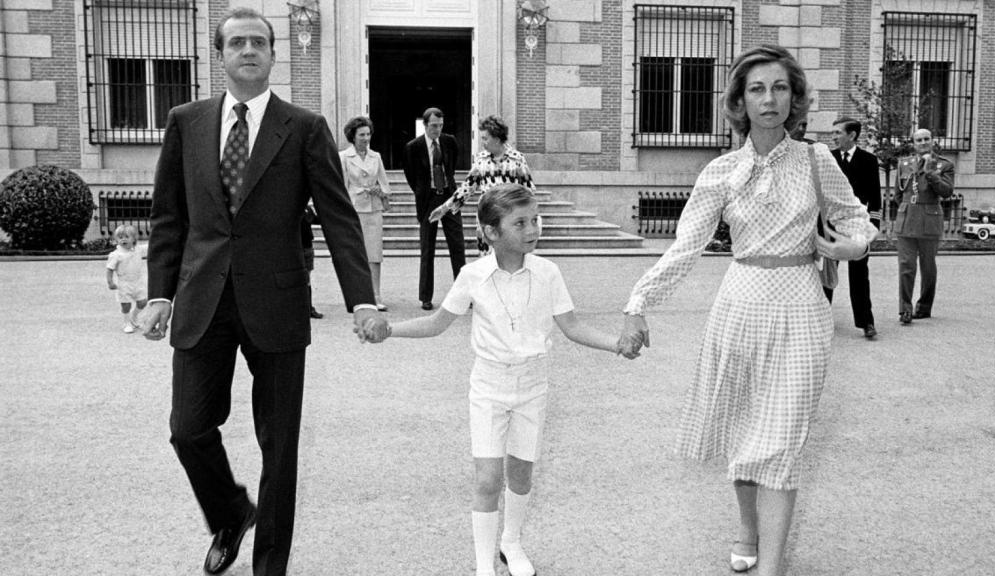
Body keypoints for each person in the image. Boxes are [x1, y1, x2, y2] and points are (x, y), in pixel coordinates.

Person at [140, 8, 388, 576]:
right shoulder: (186, 121)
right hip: (202, 299)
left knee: (279, 448)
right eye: (237, 43)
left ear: (273, 55)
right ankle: (230, 513)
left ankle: (269, 566)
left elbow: (338, 216)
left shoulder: (302, 127)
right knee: (188, 427)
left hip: (277, 304)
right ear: (220, 55)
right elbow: (168, 217)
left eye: (258, 42)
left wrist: (363, 299)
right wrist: (159, 294)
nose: (248, 50)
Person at [619, 45, 876, 576]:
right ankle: (746, 529)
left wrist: (852, 247)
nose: (770, 99)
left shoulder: (816, 159)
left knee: (782, 441)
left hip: (803, 308)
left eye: (780, 87)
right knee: (745, 428)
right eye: (757, 89)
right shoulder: (721, 171)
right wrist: (638, 301)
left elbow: (856, 218)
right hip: (739, 307)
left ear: (794, 96)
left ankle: (772, 567)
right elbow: (684, 247)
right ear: (739, 100)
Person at [384, 183, 640, 576]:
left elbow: (571, 326)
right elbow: (437, 324)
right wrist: (390, 330)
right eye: (520, 222)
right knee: (488, 478)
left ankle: (512, 542)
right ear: (490, 232)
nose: (533, 229)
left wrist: (617, 345)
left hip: (533, 387)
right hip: (488, 387)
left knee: (520, 474)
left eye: (535, 220)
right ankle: (483, 565)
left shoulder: (549, 273)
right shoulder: (473, 276)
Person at [428, 115, 536, 254]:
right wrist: (444, 208)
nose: (483, 142)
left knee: (513, 260)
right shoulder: (481, 160)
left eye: (485, 138)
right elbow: (466, 188)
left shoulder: (517, 159)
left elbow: (528, 192)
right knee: (487, 265)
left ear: (497, 139)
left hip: (512, 220)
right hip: (487, 220)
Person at [404, 107, 465, 311]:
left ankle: (463, 294)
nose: (437, 129)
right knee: (427, 249)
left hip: (450, 198)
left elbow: (451, 167)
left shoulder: (450, 142)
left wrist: (448, 191)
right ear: (425, 125)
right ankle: (426, 297)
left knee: (457, 246)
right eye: (433, 126)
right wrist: (424, 192)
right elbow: (411, 176)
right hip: (428, 200)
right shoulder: (413, 147)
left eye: (440, 125)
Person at [894, 128, 955, 324]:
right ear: (914, 143)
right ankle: (905, 309)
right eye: (919, 140)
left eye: (926, 139)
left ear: (932, 141)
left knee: (928, 267)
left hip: (929, 221)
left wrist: (931, 174)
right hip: (906, 221)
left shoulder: (944, 165)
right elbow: (897, 194)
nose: (923, 142)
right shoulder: (904, 164)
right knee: (906, 266)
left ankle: (924, 307)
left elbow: (946, 192)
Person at [830, 117, 882, 338]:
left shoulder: (868, 160)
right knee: (827, 275)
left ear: (851, 135)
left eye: (838, 133)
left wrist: (873, 227)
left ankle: (866, 322)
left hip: (858, 227)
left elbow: (876, 198)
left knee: (859, 275)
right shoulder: (829, 159)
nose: (834, 137)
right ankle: (820, 320)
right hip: (831, 227)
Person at [340, 115, 391, 310]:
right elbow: (342, 187)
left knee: (374, 253)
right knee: (355, 254)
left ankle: (376, 295)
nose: (366, 138)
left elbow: (385, 184)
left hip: (374, 209)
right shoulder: (344, 157)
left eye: (368, 134)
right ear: (352, 136)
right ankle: (357, 296)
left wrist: (381, 191)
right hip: (354, 209)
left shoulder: (375, 156)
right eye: (362, 134)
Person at [105, 224, 148, 333]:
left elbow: (151, 246)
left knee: (142, 302)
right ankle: (127, 322)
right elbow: (109, 268)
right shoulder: (116, 255)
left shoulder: (138, 250)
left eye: (126, 237)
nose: (123, 239)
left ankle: (134, 317)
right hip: (124, 282)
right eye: (120, 237)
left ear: (134, 239)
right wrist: (110, 282)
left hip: (138, 281)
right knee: (125, 304)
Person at [301, 204, 323, 318]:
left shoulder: (307, 209)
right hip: (295, 247)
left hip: (307, 246)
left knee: (307, 279)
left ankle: (308, 308)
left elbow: (316, 220)